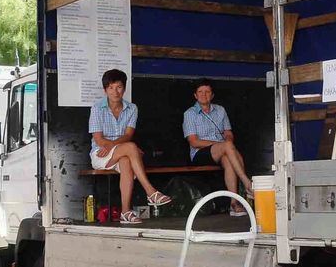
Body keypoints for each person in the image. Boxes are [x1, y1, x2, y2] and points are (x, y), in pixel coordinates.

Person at [88, 69, 172, 225]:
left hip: (120, 150)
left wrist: (120, 146)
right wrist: (121, 146)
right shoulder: (97, 108)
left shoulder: (132, 108)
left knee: (127, 159)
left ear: (124, 88)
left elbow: (128, 135)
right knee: (131, 148)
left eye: (119, 87)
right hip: (101, 153)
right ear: (105, 90)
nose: (115, 92)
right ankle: (150, 191)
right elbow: (98, 139)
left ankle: (125, 212)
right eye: (111, 88)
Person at [182, 79, 252, 216]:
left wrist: (227, 142)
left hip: (223, 151)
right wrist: (221, 144)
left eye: (207, 92)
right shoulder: (190, 113)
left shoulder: (220, 110)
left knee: (228, 159)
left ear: (212, 95)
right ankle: (247, 183)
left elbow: (228, 133)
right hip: (200, 153)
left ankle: (234, 204)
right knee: (227, 146)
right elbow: (194, 142)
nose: (204, 94)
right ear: (195, 95)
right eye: (200, 92)